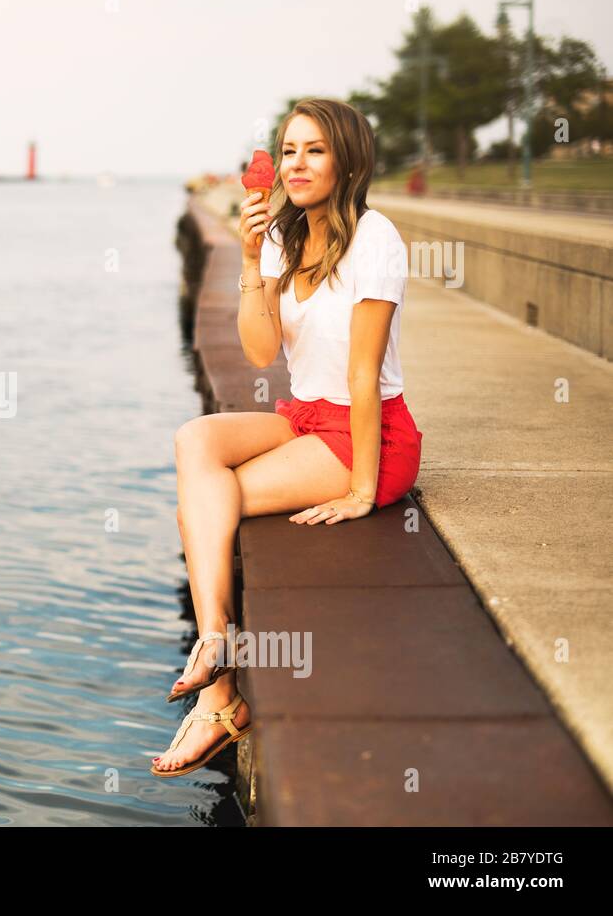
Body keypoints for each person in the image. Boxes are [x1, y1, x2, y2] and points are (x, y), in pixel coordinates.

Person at [152, 98, 423, 777]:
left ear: (347, 159)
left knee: (215, 500)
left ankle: (218, 697)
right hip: (305, 415)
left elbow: (363, 372)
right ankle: (215, 642)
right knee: (196, 441)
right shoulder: (281, 234)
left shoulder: (375, 238)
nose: (297, 164)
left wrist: (363, 489)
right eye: (289, 150)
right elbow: (259, 348)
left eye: (315, 150)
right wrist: (250, 257)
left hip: (371, 435)